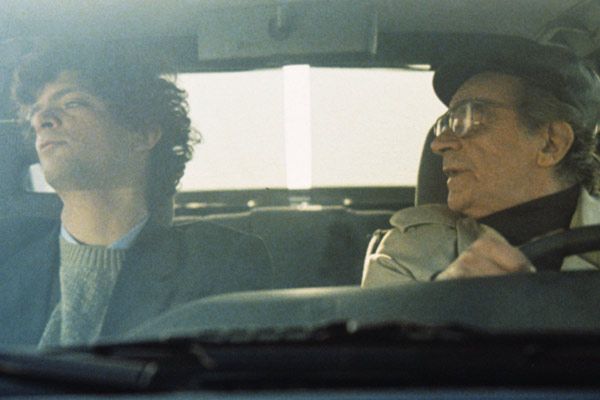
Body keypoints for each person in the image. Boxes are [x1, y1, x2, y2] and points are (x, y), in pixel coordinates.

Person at [0, 45, 273, 347]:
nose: (42, 119)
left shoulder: (218, 261)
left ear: (142, 134)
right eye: (35, 111)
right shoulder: (8, 255)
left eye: (72, 103)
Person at [362, 42, 600, 287]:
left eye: (469, 117)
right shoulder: (408, 252)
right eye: (446, 123)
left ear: (551, 143)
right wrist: (449, 298)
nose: (439, 143)